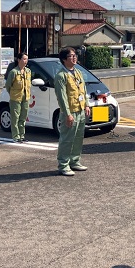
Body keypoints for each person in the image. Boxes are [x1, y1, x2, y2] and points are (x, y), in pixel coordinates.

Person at [54, 47, 90, 176]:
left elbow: (83, 90)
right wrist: (67, 114)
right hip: (69, 112)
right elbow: (62, 97)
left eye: (75, 55)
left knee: (78, 137)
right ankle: (63, 164)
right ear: (64, 59)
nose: (74, 58)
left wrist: (86, 104)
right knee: (67, 139)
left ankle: (75, 161)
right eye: (71, 56)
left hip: (80, 109)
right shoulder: (61, 76)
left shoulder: (78, 72)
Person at [4, 52, 31, 143]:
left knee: (23, 118)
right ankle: (16, 136)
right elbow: (8, 85)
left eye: (26, 59)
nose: (25, 61)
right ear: (19, 60)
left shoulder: (28, 71)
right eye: (24, 59)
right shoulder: (13, 72)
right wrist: (12, 94)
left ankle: (22, 136)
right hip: (16, 98)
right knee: (15, 118)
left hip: (26, 97)